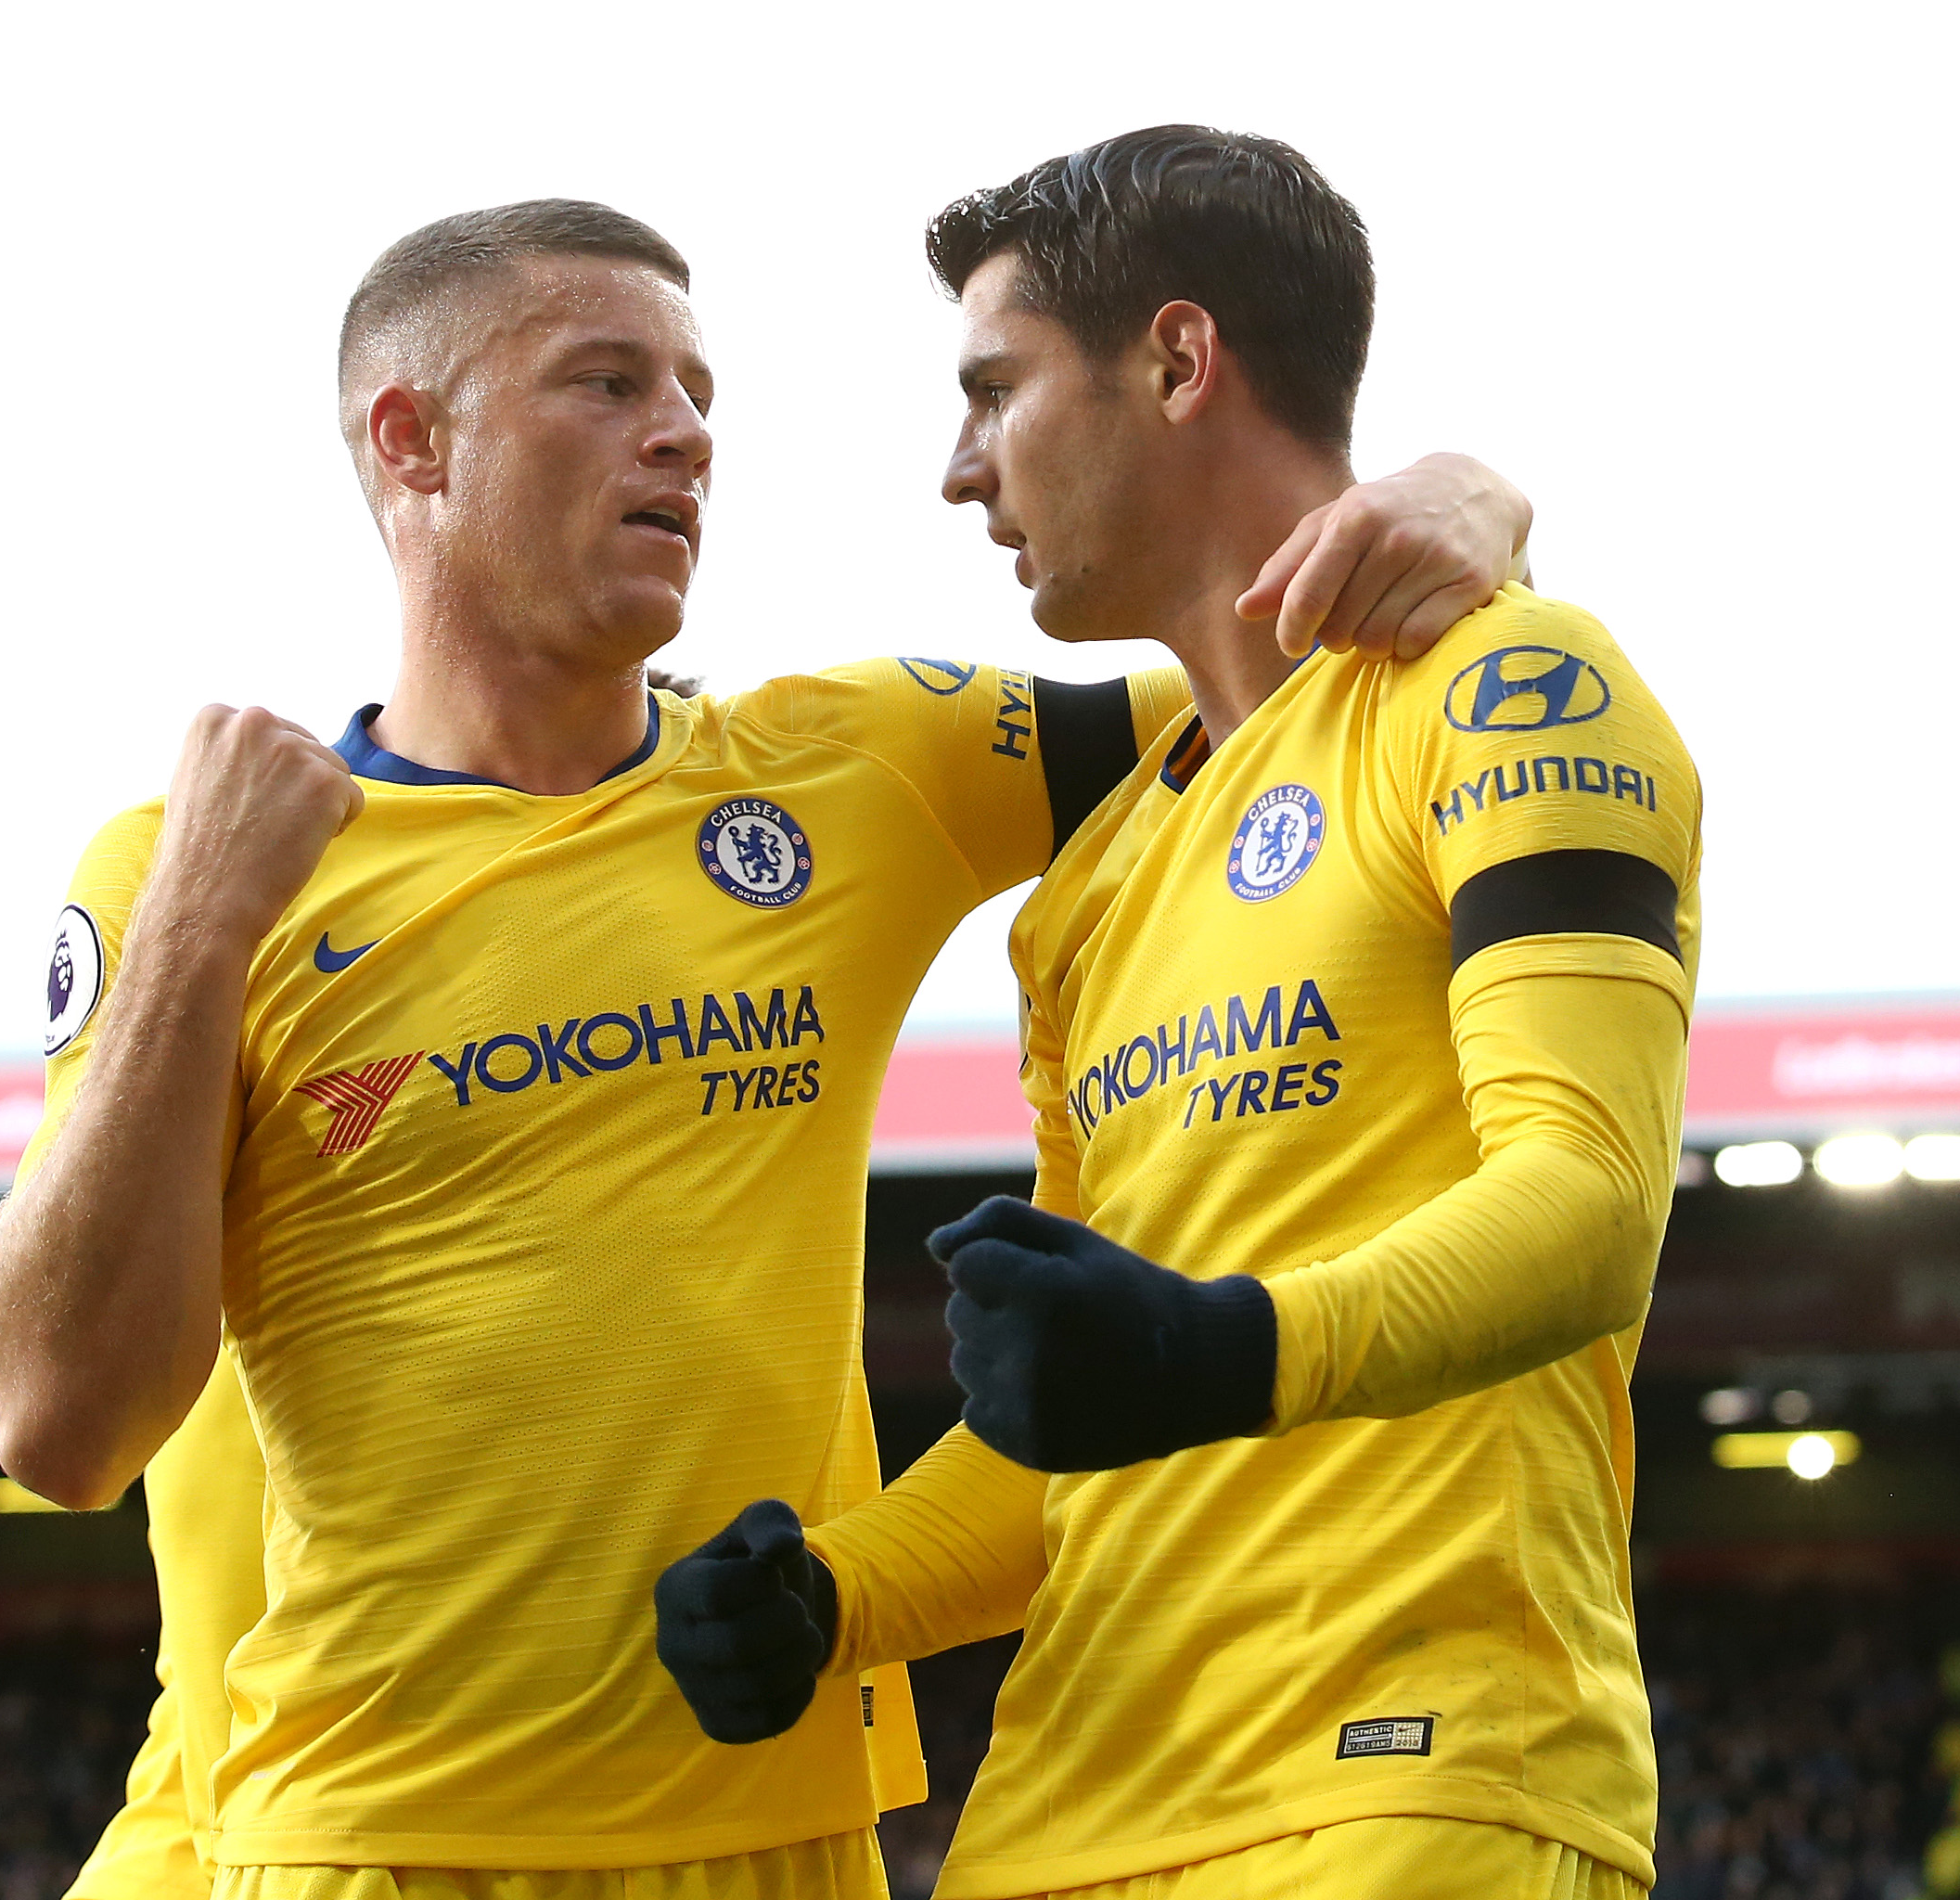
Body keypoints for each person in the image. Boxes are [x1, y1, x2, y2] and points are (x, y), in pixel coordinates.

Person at [0, 196, 1534, 1900]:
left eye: (698, 393)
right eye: (606, 382)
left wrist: (1468, 506)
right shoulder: (196, 866)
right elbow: (63, 1423)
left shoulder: (850, 768)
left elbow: (1302, 660)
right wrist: (196, 933)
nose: (685, 435)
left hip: (786, 1845)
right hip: (377, 1845)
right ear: (411, 442)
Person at [654, 129, 1700, 1900]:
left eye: (993, 391)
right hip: (1056, 1813)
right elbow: (1073, 1433)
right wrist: (836, 1594)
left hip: (1409, 1784)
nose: (956, 470)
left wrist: (1213, 1350)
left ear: (1177, 361)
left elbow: (1588, 1205)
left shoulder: (1517, 685)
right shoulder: (1090, 880)